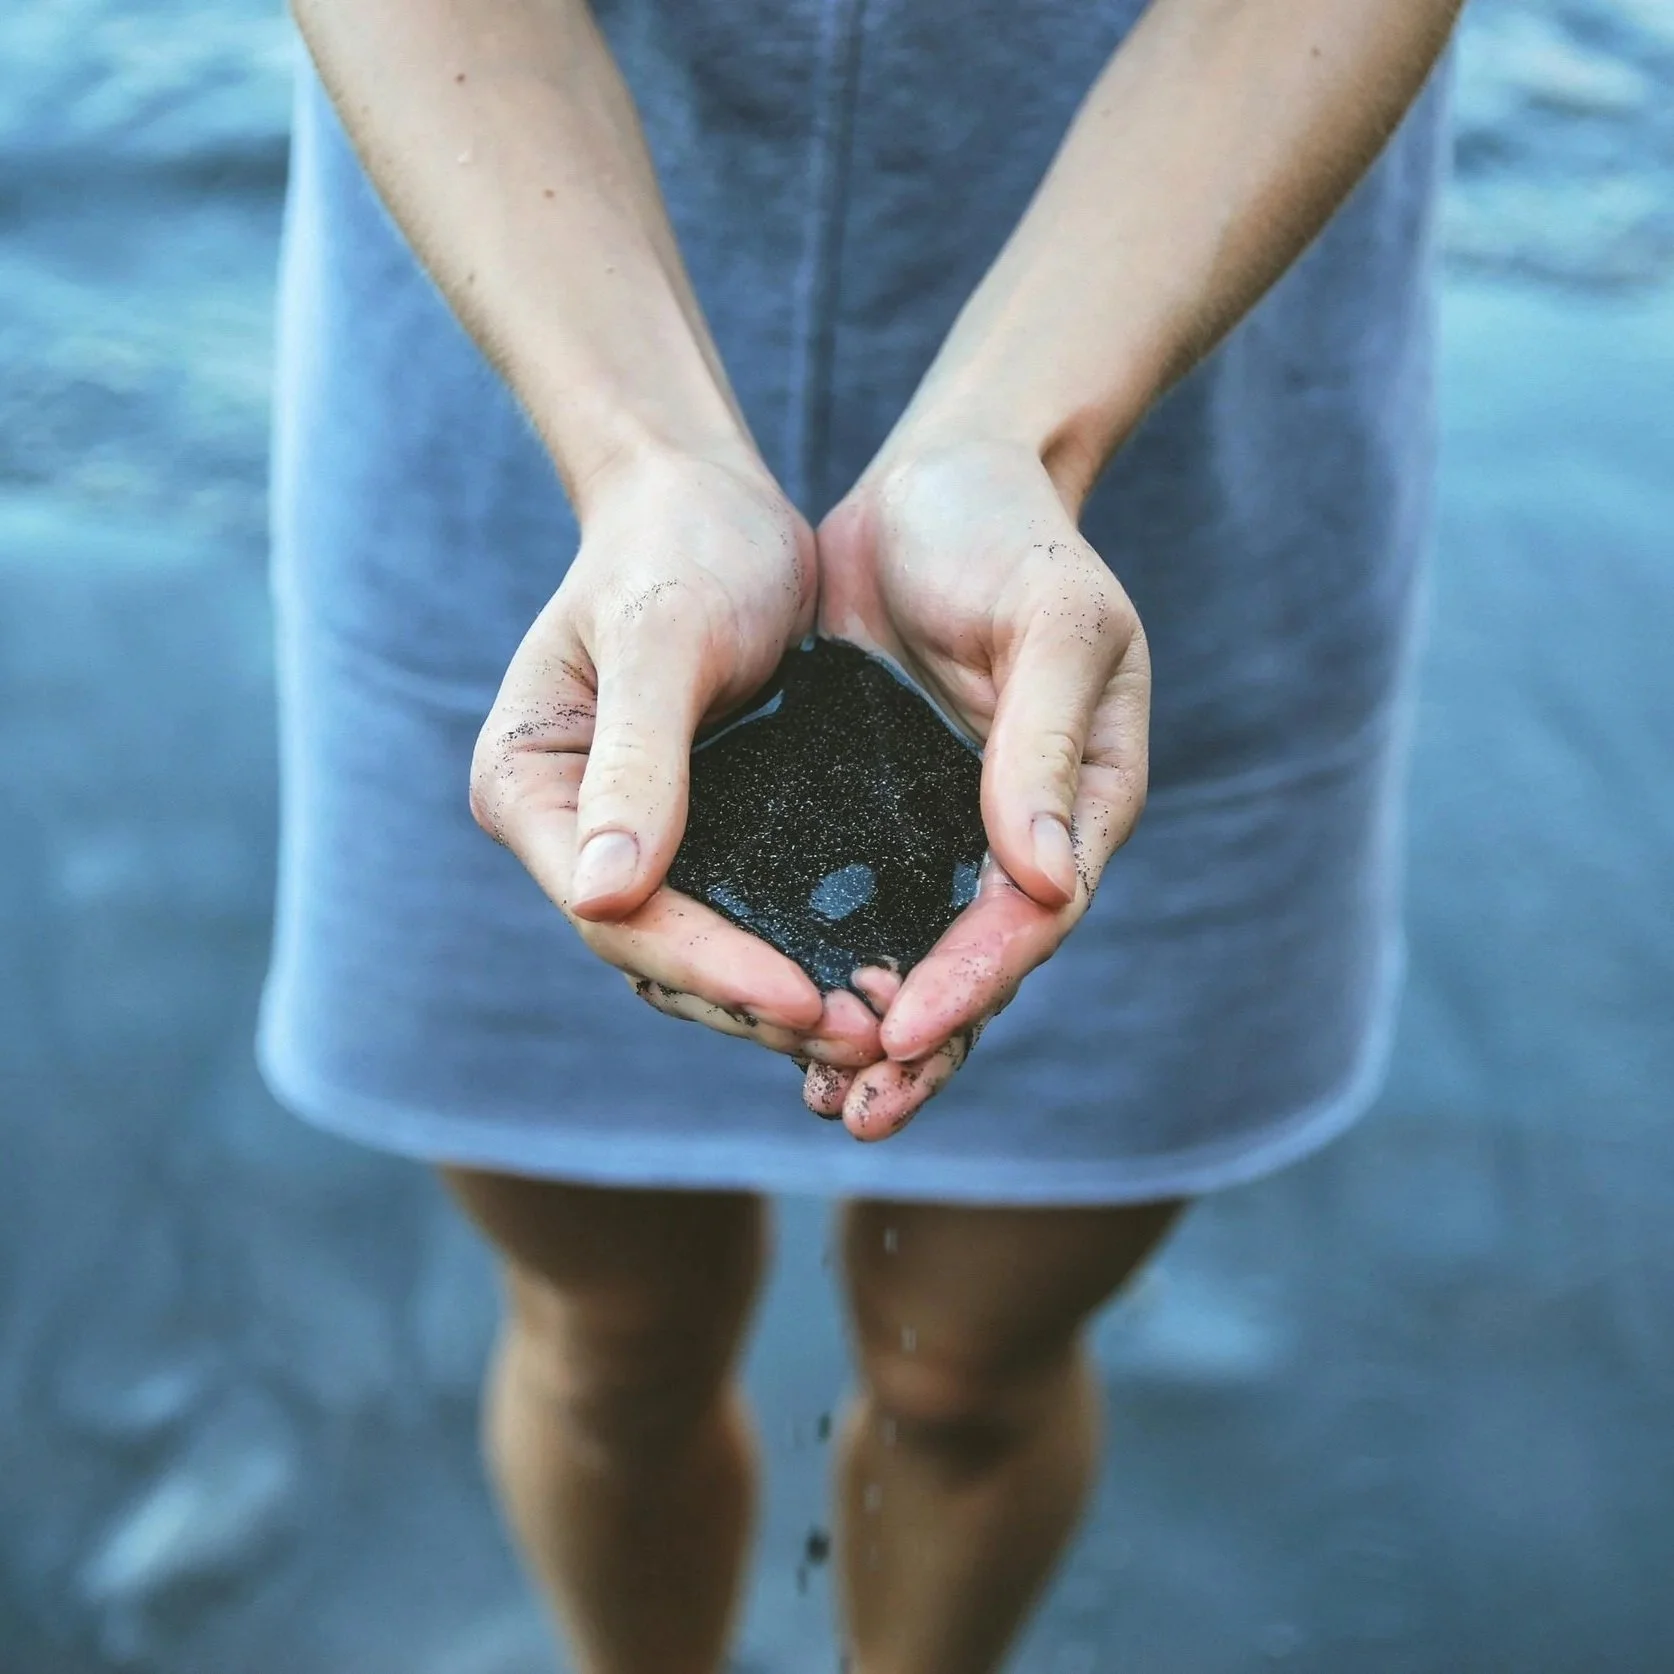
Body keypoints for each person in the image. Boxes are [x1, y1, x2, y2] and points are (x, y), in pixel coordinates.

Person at [259, 0, 1461, 1668]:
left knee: (971, 1369)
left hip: (1178, 393)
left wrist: (1019, 436)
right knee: (608, 1329)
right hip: (523, 360)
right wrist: (640, 460)